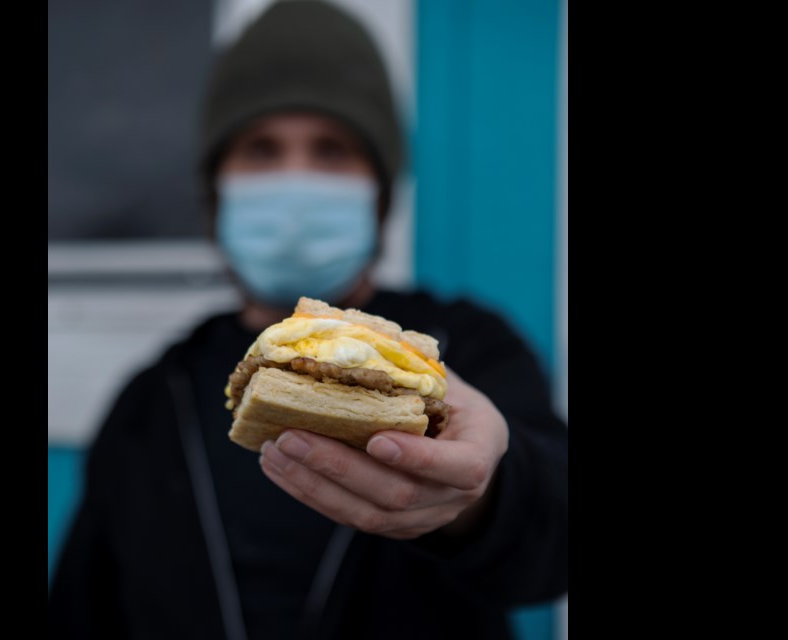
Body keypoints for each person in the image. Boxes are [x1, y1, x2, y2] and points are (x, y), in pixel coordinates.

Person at [48, 2, 568, 639]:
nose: (295, 180)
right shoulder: (153, 399)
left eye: (332, 150)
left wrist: (480, 498)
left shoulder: (470, 346)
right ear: (216, 194)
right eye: (261, 150)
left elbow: (552, 538)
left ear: (378, 194)